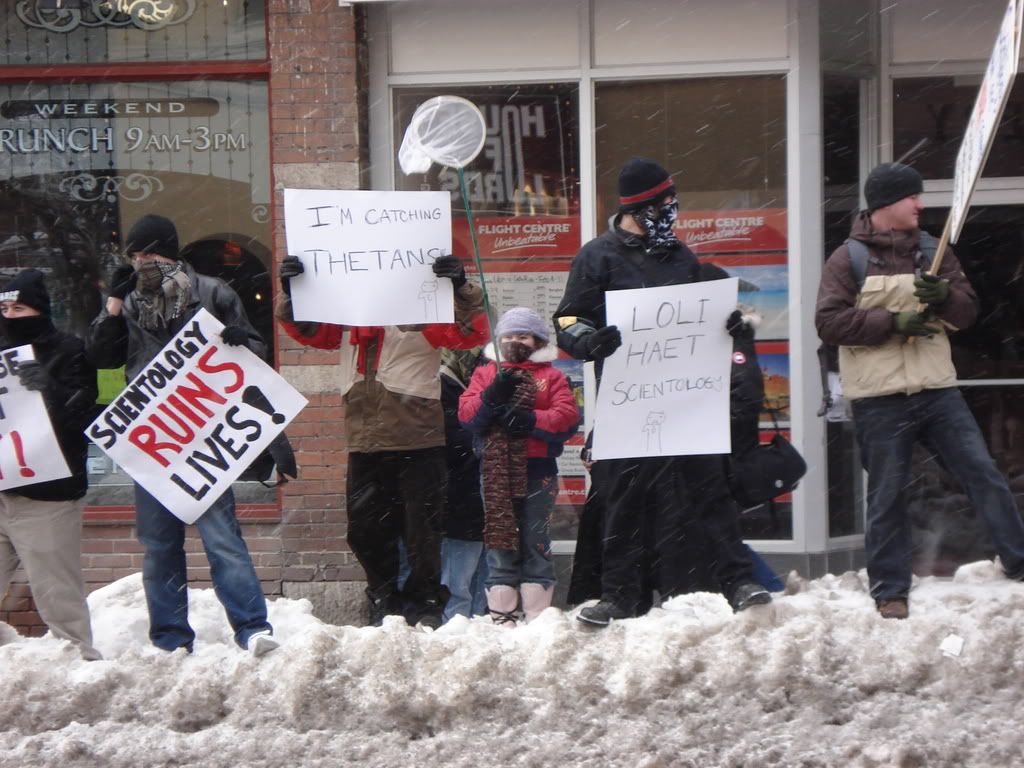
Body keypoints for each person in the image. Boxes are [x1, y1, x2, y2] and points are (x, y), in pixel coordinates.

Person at [553, 157, 771, 627]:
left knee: (709, 489)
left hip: (686, 400)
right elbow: (567, 319)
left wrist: (730, 326)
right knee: (622, 498)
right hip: (628, 400)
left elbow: (701, 319)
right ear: (641, 207)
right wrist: (587, 339)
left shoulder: (681, 257)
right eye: (664, 204)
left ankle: (737, 580)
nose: (672, 211)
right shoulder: (599, 256)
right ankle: (618, 595)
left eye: (673, 202)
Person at [815, 161, 1024, 619]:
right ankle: (890, 590)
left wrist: (945, 297)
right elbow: (828, 322)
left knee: (982, 475)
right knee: (887, 494)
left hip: (937, 390)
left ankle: (1019, 561)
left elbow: (967, 313)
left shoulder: (934, 251)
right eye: (912, 197)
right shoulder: (846, 259)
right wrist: (891, 323)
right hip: (879, 398)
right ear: (887, 203)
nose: (920, 205)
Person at [88, 214, 278, 655]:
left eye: (148, 254)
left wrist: (238, 342)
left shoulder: (214, 292)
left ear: (169, 253)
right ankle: (171, 638)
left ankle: (253, 629)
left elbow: (255, 351)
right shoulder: (129, 301)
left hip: (203, 434)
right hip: (153, 437)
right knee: (159, 545)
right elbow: (101, 357)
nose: (141, 263)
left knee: (223, 539)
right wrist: (113, 305)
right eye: (135, 256)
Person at [276, 252, 488, 628]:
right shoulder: (348, 311)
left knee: (422, 532)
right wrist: (295, 293)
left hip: (417, 438)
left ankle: (424, 605)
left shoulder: (423, 305)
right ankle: (384, 596)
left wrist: (459, 288)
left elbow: (469, 332)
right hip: (364, 439)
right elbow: (313, 332)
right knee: (364, 531)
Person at [0, 269, 102, 661]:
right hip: (3, 487)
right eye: (3, 308)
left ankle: (82, 676)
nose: (10, 316)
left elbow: (88, 415)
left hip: (47, 498)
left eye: (19, 307)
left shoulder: (69, 351)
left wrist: (51, 391)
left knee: (59, 600)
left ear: (39, 310)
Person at [458, 307, 580, 626]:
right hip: (496, 472)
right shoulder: (486, 373)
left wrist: (530, 421)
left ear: (538, 340)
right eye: (509, 335)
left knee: (535, 540)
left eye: (523, 335)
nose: (516, 341)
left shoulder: (551, 376)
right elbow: (468, 416)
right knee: (500, 544)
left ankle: (537, 616)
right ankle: (503, 615)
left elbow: (566, 418)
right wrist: (491, 398)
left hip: (538, 470)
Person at [438, 346, 488, 622]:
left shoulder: (468, 383)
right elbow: (455, 441)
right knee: (459, 585)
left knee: (481, 583)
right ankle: (454, 636)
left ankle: (475, 631)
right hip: (462, 498)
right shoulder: (445, 386)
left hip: (477, 499)